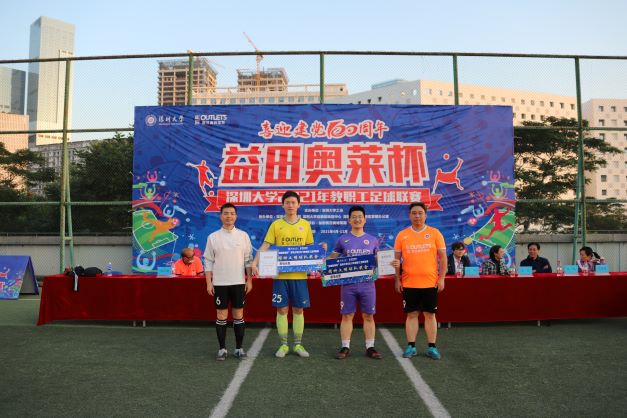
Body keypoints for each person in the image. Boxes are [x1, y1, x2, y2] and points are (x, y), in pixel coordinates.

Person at [251, 191, 327, 358]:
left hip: (299, 277)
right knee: (282, 309)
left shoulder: (305, 225)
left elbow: (310, 249)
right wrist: (255, 262)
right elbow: (266, 245)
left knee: (298, 309)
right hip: (280, 276)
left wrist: (320, 250)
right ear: (283, 205)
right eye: (287, 202)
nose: (291, 205)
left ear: (299, 205)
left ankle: (298, 344)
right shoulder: (276, 224)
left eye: (293, 202)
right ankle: (284, 345)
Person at [392, 202, 447, 360]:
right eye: (414, 213)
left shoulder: (435, 233)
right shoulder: (402, 235)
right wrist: (397, 279)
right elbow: (396, 260)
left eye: (420, 213)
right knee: (411, 315)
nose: (417, 216)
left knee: (430, 315)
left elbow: (443, 258)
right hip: (409, 283)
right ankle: (411, 346)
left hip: (430, 282)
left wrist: (442, 278)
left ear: (426, 215)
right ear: (409, 216)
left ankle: (432, 347)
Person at [328, 205, 382, 360]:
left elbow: (379, 260)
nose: (357, 219)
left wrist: (388, 262)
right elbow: (332, 258)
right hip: (348, 286)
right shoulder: (342, 239)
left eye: (360, 217)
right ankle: (345, 346)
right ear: (349, 220)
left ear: (365, 220)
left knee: (369, 316)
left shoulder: (373, 240)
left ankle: (370, 347)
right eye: (354, 217)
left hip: (368, 285)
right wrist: (320, 259)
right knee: (347, 315)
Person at [204, 203, 253, 361]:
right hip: (220, 283)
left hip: (238, 282)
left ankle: (239, 348)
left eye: (232, 213)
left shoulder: (243, 236)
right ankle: (222, 349)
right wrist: (209, 283)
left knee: (238, 315)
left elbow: (248, 260)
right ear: (221, 216)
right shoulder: (213, 237)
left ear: (236, 216)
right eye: (226, 213)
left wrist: (249, 281)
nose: (229, 216)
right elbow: (208, 261)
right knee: (221, 315)